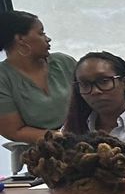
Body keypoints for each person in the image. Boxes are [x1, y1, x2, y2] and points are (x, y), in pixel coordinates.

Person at [0, 11, 77, 147]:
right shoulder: (3, 78)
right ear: (20, 39)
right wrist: (62, 138)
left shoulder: (65, 62)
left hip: (86, 134)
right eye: (41, 33)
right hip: (44, 150)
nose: (48, 39)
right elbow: (13, 131)